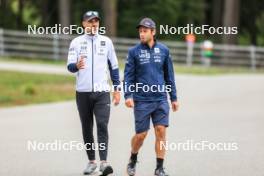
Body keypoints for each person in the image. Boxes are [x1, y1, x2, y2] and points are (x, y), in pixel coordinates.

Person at [67, 11, 120, 175]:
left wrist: (117, 89)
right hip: (82, 92)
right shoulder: (76, 43)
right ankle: (91, 162)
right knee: (86, 128)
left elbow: (114, 68)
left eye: (96, 21)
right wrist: (77, 65)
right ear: (84, 24)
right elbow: (69, 67)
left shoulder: (106, 42)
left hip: (102, 92)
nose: (94, 24)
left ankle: (104, 162)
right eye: (90, 22)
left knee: (102, 125)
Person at [124, 17, 179, 176]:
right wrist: (128, 95)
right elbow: (128, 76)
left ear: (153, 32)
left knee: (161, 131)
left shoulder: (164, 50)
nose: (141, 34)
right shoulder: (133, 52)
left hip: (161, 99)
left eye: (145, 31)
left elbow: (170, 76)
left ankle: (159, 168)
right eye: (140, 31)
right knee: (141, 135)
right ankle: (133, 158)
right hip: (141, 100)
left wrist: (173, 98)